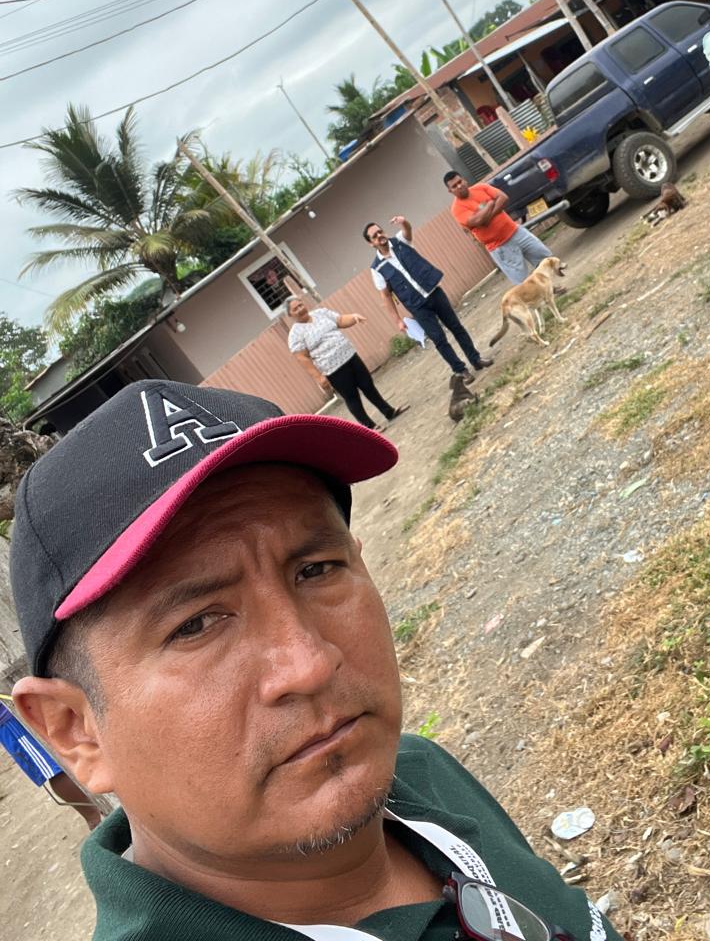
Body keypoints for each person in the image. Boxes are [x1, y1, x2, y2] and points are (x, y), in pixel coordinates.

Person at [9, 380, 619, 941]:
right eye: (195, 624)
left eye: (316, 569)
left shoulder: (419, 774)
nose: (309, 664)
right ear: (75, 730)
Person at [364, 216, 493, 378]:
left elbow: (408, 230)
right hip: (417, 306)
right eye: (374, 236)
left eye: (380, 231)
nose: (379, 236)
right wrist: (397, 320)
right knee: (439, 339)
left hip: (434, 292)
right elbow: (386, 296)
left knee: (456, 327)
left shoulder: (400, 241)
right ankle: (461, 370)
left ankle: (476, 359)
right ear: (371, 243)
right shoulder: (376, 268)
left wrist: (404, 222)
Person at [287, 296, 408, 432]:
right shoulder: (295, 335)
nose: (300, 309)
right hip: (333, 369)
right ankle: (369, 427)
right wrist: (319, 377)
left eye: (300, 305)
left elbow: (340, 320)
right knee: (352, 397)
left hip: (350, 356)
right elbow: (302, 358)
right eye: (295, 309)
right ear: (290, 315)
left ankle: (389, 412)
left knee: (368, 385)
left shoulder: (321, 313)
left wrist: (354, 317)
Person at [0, 697, 101, 830]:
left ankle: (98, 813)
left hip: (19, 705)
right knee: (54, 768)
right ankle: (95, 818)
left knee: (63, 755)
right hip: (12, 717)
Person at [444, 172, 554, 286]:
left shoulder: (481, 188)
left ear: (464, 180)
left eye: (460, 182)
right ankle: (536, 296)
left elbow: (503, 198)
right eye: (454, 186)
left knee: (547, 260)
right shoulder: (457, 209)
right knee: (523, 282)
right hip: (500, 247)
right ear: (450, 191)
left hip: (516, 232)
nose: (459, 186)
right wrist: (490, 203)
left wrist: (487, 217)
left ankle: (553, 288)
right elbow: (477, 221)